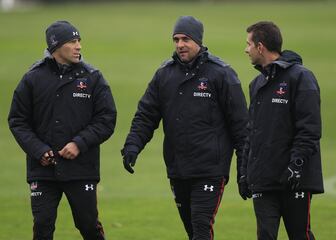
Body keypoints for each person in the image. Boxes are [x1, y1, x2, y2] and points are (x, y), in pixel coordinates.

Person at [121, 16, 248, 240]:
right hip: (178, 169)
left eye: (185, 39)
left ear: (198, 41)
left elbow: (241, 127)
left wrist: (244, 169)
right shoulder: (164, 75)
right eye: (176, 39)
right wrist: (133, 145)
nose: (180, 45)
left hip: (210, 169)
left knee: (200, 227)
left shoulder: (221, 74)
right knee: (193, 231)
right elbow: (146, 115)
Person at [8, 20, 117, 240]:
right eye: (72, 41)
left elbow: (107, 119)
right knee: (42, 225)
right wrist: (39, 150)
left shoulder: (92, 77)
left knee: (88, 226)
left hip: (81, 168)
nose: (79, 46)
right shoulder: (32, 78)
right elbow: (18, 120)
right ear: (56, 46)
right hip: (43, 170)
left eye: (79, 41)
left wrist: (79, 143)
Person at [239, 21, 324, 240]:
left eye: (248, 44)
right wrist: (244, 171)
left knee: (299, 235)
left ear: (260, 46)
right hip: (263, 179)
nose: (245, 50)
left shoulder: (301, 78)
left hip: (293, 179)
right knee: (265, 236)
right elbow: (252, 132)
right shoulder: (256, 84)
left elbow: (310, 129)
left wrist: (296, 165)